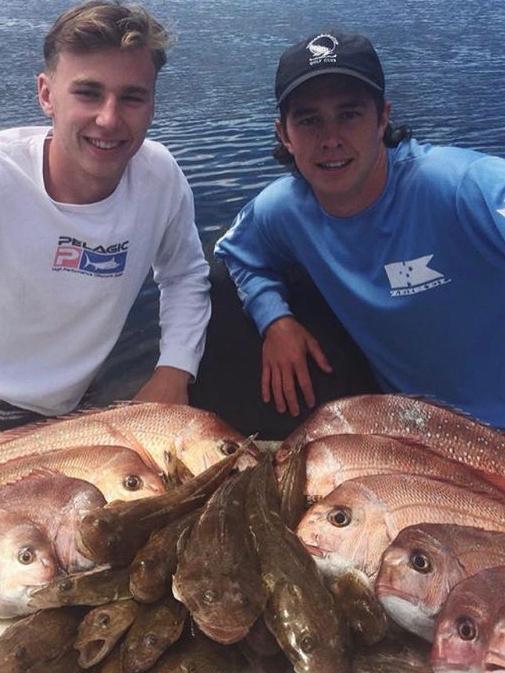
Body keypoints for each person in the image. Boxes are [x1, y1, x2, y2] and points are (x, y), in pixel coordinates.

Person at [215, 30, 505, 428]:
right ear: (284, 134)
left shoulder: (460, 187)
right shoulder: (283, 210)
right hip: (420, 436)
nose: (330, 138)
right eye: (309, 120)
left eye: (349, 114)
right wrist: (275, 320)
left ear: (382, 118)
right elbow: (238, 255)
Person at [0, 1, 211, 430]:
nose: (109, 118)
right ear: (46, 94)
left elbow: (184, 274)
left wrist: (174, 370)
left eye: (132, 97)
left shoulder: (159, 178)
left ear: (152, 104)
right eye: (88, 93)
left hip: (74, 408)